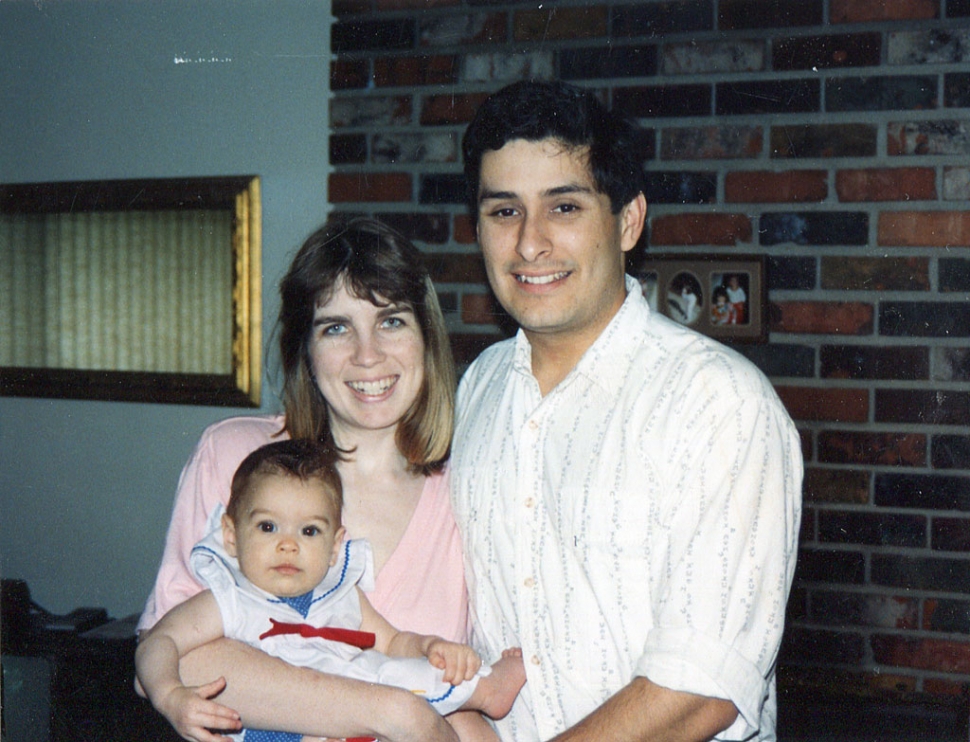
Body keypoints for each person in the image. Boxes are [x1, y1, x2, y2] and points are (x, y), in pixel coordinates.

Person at [452, 80, 803, 741]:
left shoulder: (718, 401)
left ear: (629, 220)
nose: (530, 244)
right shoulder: (478, 389)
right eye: (504, 212)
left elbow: (701, 689)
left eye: (563, 207)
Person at [138, 217, 492, 742]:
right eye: (336, 327)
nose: (367, 355)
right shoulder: (236, 456)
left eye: (391, 321)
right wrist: (395, 714)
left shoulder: (471, 487)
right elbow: (175, 658)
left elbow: (466, 692)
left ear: (427, 337)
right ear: (305, 348)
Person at [137, 439, 525, 742]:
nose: (288, 545)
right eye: (268, 527)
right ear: (230, 535)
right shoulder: (228, 600)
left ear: (336, 544)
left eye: (309, 531)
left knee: (439, 698)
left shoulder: (339, 592)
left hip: (364, 702)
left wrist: (428, 647)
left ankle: (488, 686)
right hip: (284, 727)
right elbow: (159, 642)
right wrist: (170, 695)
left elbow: (391, 642)